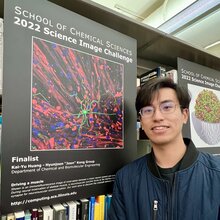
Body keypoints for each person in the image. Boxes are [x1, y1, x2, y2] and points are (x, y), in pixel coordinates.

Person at [108, 77, 220, 220]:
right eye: (148, 110)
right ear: (141, 120)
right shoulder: (126, 179)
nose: (157, 116)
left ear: (184, 115)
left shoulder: (216, 174)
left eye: (167, 107)